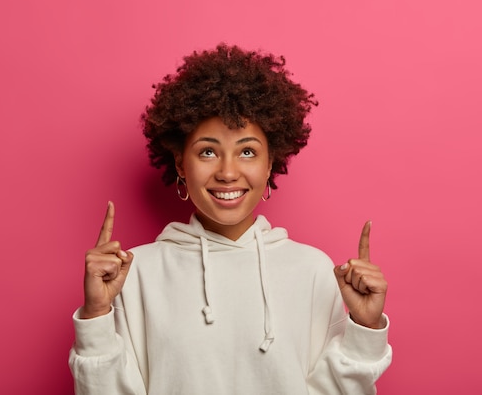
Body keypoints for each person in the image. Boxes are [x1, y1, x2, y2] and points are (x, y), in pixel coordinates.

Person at [69, 44, 392, 394]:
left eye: (247, 152)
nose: (227, 172)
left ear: (270, 163)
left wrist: (365, 326)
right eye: (208, 151)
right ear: (180, 163)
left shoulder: (313, 270)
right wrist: (97, 316)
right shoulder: (135, 272)